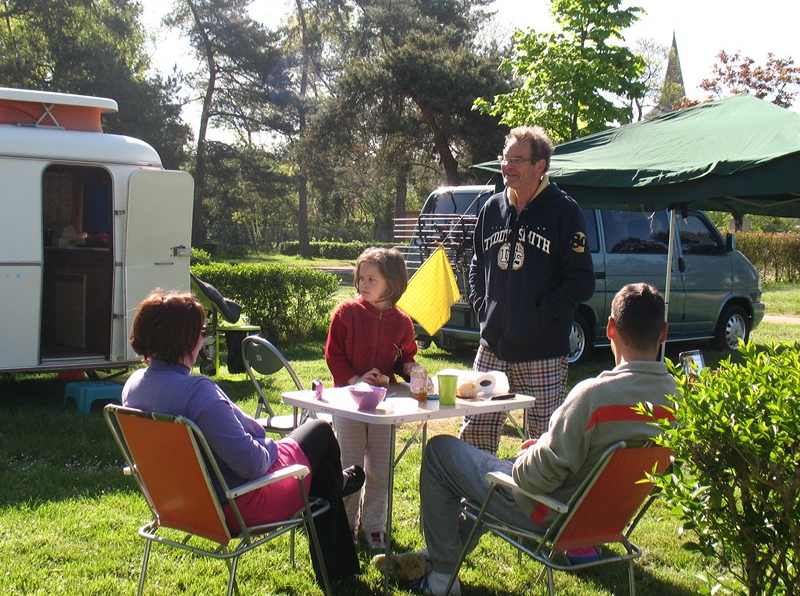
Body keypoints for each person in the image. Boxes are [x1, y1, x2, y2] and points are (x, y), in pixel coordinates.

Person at [374, 283, 677, 596]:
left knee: (441, 452)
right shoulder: (679, 400)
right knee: (487, 471)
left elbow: (533, 478)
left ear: (611, 328)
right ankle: (433, 559)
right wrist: (543, 450)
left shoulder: (594, 397)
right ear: (663, 333)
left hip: (548, 510)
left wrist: (533, 454)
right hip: (606, 518)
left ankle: (441, 579)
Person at [122, 290, 363, 587]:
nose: (204, 339)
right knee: (320, 432)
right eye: (201, 332)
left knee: (321, 465)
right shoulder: (197, 393)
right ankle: (339, 558)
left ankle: (339, 555)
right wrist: (270, 446)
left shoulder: (133, 386)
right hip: (237, 507)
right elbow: (251, 464)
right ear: (187, 340)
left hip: (176, 504)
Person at [463, 125, 596, 454]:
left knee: (542, 443)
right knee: (475, 433)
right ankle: (474, 505)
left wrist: (540, 316)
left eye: (517, 159)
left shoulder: (564, 211)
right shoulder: (492, 208)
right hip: (492, 347)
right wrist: (484, 306)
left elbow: (581, 280)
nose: (507, 165)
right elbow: (476, 263)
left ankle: (533, 506)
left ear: (541, 166)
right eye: (505, 158)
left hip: (542, 352)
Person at [325, 247, 418, 550]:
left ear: (392, 283)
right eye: (361, 278)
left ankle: (374, 525)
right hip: (348, 403)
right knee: (349, 466)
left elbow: (405, 358)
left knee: (380, 466)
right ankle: (346, 525)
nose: (363, 285)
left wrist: (412, 369)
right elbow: (333, 354)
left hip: (384, 405)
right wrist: (354, 380)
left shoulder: (402, 322)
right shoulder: (346, 313)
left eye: (371, 279)